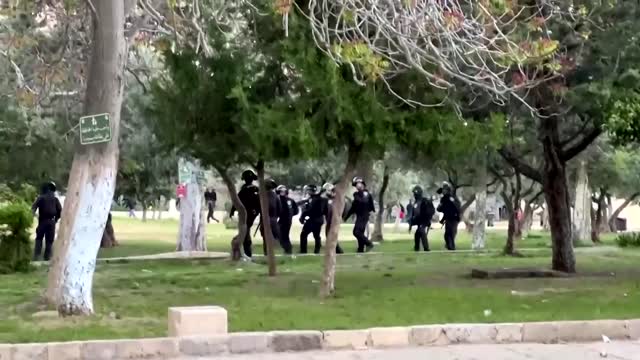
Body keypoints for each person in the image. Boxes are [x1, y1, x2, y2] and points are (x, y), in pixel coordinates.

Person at [230, 169, 261, 258]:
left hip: (246, 214)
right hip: (251, 214)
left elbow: (237, 200)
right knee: (246, 232)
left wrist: (232, 211)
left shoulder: (245, 189)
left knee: (245, 232)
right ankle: (247, 252)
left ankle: (247, 253)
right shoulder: (255, 189)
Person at [31, 181, 62, 261]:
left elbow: (33, 207)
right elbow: (60, 211)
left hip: (42, 220)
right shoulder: (55, 199)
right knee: (49, 240)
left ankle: (37, 256)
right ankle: (47, 257)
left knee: (39, 238)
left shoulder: (41, 198)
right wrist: (56, 219)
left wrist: (33, 215)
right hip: (51, 221)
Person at [344, 176, 375, 253]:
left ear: (362, 184)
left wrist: (370, 213)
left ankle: (369, 244)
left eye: (358, 184)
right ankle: (360, 249)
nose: (357, 186)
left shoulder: (366, 194)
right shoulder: (357, 194)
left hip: (364, 216)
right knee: (359, 233)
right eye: (356, 185)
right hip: (359, 216)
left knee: (356, 232)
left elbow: (369, 205)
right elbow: (353, 208)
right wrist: (346, 217)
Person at [299, 184, 327, 254]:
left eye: (308, 190)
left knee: (304, 234)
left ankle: (303, 251)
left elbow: (310, 210)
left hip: (313, 220)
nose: (307, 192)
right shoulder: (319, 199)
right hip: (319, 220)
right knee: (316, 235)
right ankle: (317, 251)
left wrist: (303, 216)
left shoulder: (315, 199)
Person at [408, 185, 435, 251]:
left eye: (415, 193)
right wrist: (411, 223)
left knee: (422, 231)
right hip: (419, 221)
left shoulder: (425, 201)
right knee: (417, 234)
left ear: (418, 193)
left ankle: (426, 248)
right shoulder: (415, 202)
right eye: (414, 193)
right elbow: (414, 213)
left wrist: (428, 218)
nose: (414, 195)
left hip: (425, 220)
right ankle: (416, 248)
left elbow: (431, 210)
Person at [259, 179, 282, 255]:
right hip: (273, 220)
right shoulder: (276, 196)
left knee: (265, 238)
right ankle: (273, 252)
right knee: (276, 236)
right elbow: (280, 209)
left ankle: (267, 253)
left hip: (265, 220)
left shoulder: (261, 195)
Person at [437, 182, 461, 251]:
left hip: (454, 218)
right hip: (447, 218)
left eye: (445, 190)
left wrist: (457, 215)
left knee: (451, 233)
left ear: (448, 190)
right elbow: (440, 209)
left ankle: (452, 247)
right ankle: (449, 246)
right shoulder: (443, 199)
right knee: (447, 234)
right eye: (443, 190)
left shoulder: (452, 198)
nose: (443, 191)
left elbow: (457, 206)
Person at [322, 182, 344, 254]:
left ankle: (338, 250)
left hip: (334, 220)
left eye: (327, 190)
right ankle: (335, 249)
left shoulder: (336, 199)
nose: (326, 192)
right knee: (328, 234)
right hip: (329, 219)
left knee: (331, 235)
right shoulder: (328, 199)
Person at [275, 184, 297, 254]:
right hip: (285, 220)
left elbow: (295, 210)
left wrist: (288, 215)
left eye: (283, 192)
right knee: (283, 235)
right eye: (281, 192)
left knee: (282, 235)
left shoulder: (280, 200)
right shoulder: (289, 200)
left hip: (285, 220)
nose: (282, 193)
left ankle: (288, 249)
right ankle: (287, 249)